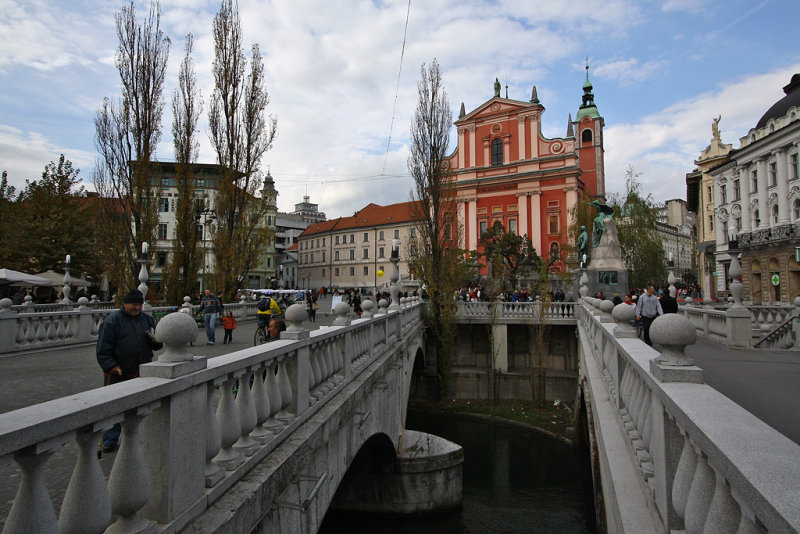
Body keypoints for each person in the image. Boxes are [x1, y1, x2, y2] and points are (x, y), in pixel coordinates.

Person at [96, 289, 162, 453]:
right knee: (115, 408)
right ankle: (110, 439)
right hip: (118, 373)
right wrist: (111, 366)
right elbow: (103, 350)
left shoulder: (147, 319)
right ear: (125, 304)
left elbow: (157, 343)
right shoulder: (112, 322)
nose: (137, 308)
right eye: (134, 305)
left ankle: (139, 436)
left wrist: (156, 341)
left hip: (141, 370)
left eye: (139, 305)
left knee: (141, 406)